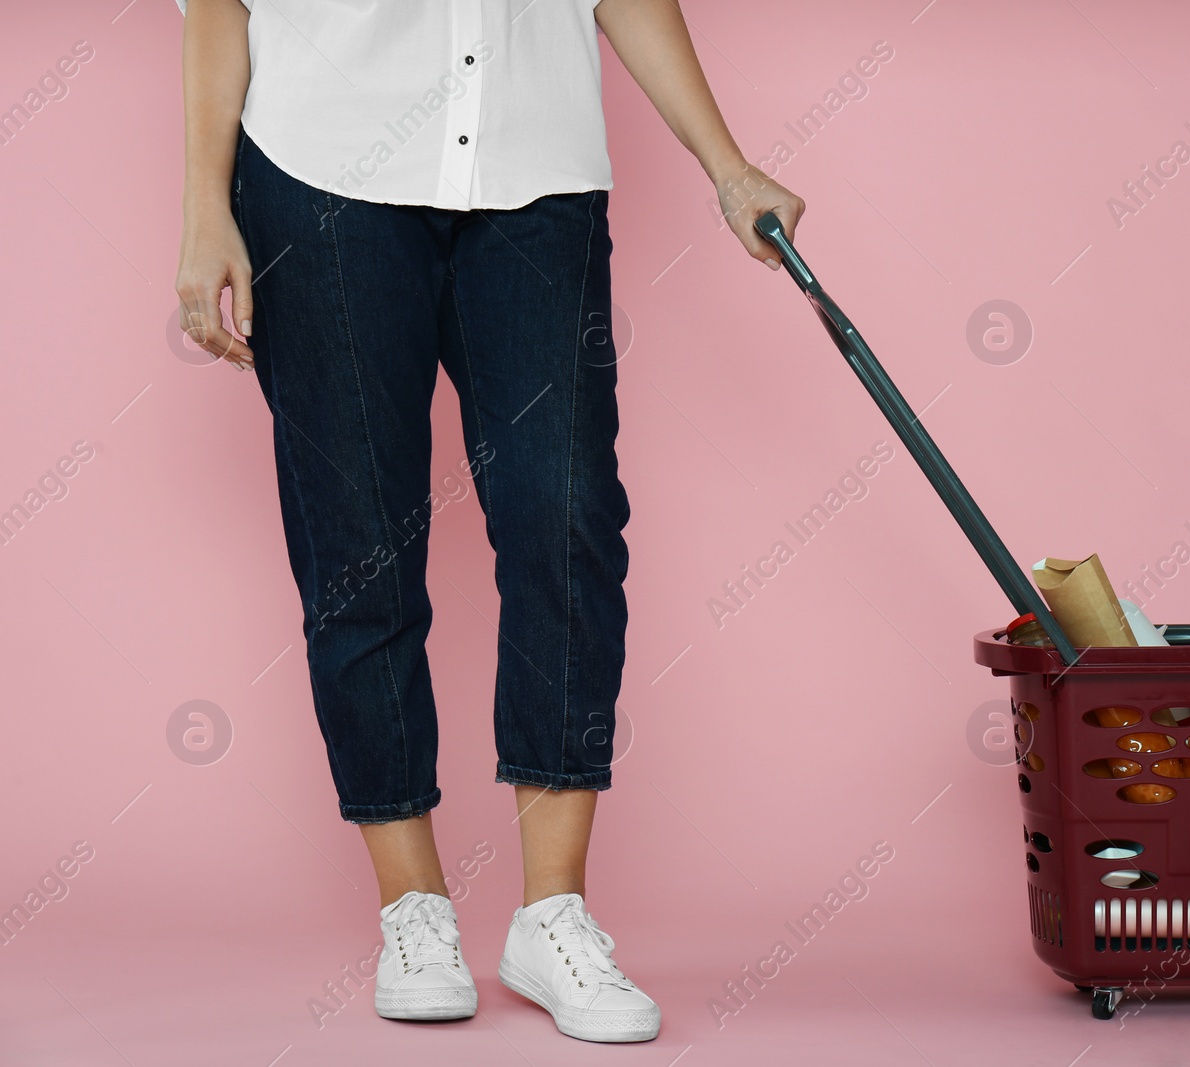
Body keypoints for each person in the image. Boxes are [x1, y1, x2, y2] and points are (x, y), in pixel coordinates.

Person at [173, 0, 802, 1043]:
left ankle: (552, 913)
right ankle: (412, 908)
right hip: (320, 176)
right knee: (358, 547)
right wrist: (206, 205)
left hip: (534, 169)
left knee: (567, 516)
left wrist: (727, 164)